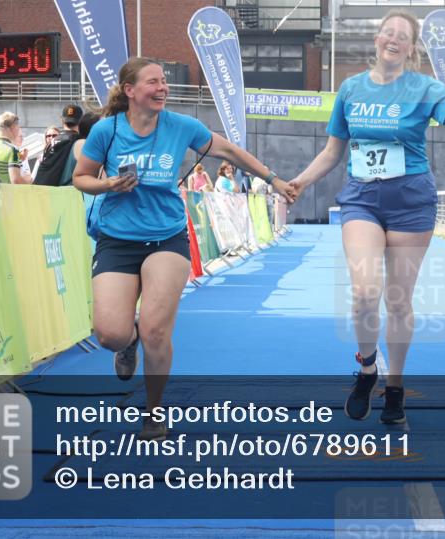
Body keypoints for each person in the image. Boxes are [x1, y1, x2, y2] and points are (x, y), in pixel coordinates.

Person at [72, 57, 297, 440]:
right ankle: (128, 343)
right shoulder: (106, 132)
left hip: (167, 237)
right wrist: (107, 185)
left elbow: (230, 152)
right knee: (110, 333)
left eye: (164, 81)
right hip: (117, 238)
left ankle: (154, 412)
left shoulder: (182, 127)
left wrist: (273, 179)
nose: (163, 88)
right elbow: (81, 178)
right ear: (130, 91)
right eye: (153, 82)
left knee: (157, 331)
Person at [290, 10, 445, 424]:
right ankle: (367, 369)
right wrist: (300, 181)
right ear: (377, 39)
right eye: (388, 31)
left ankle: (395, 385)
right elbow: (333, 151)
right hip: (362, 200)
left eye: (403, 35)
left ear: (411, 48)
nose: (394, 39)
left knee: (398, 300)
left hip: (411, 204)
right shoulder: (351, 89)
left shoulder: (424, 87)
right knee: (364, 293)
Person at [0, 112, 32, 184]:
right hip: (4, 193)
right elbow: (16, 181)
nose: (18, 129)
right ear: (12, 127)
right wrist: (29, 181)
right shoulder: (13, 150)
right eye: (17, 126)